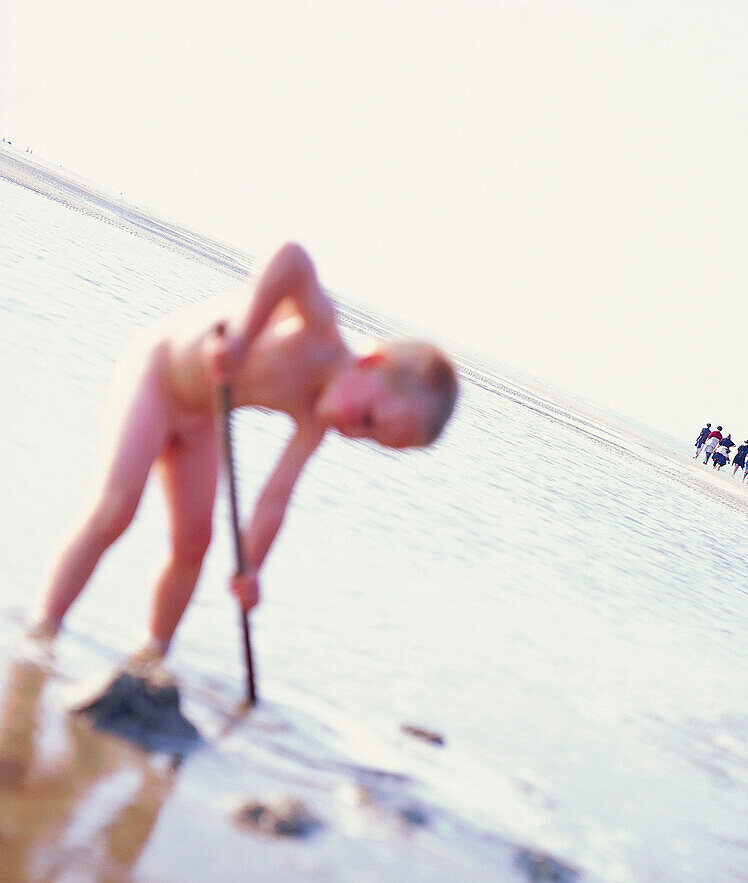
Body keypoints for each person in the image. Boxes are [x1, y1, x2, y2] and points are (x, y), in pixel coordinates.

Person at [27, 242, 459, 667]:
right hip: (157, 378)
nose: (352, 432)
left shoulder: (315, 421)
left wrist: (251, 565)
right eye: (367, 418)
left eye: (368, 439)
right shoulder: (318, 328)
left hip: (202, 420)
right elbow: (290, 258)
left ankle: (150, 657)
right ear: (371, 364)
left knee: (194, 543)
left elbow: (274, 498)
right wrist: (244, 336)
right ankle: (42, 632)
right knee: (115, 511)